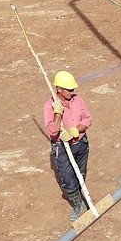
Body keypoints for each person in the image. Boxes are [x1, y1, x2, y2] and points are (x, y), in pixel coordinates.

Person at [44, 71, 92, 222]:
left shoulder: (77, 100)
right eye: (69, 90)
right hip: (62, 148)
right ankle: (77, 205)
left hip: (80, 144)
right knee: (68, 178)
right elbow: (52, 131)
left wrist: (74, 130)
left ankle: (83, 197)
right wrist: (57, 113)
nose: (73, 92)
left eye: (73, 89)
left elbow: (88, 119)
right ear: (59, 89)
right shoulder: (49, 105)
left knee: (81, 173)